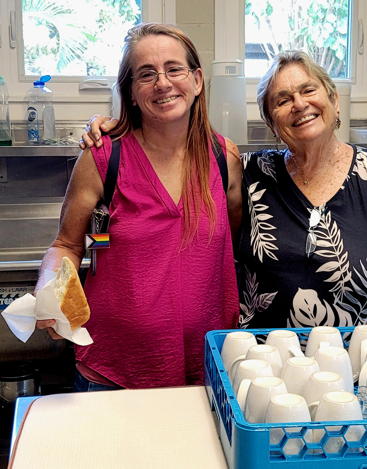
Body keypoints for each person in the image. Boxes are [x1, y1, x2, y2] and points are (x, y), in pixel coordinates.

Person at [83, 51, 367, 374]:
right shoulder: (250, 174)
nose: (299, 104)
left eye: (308, 91)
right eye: (282, 100)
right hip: (265, 376)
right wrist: (115, 126)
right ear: (271, 121)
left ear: (334, 101)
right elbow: (171, 174)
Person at [35, 22, 241, 391]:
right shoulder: (103, 156)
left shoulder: (225, 158)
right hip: (114, 371)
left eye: (174, 69)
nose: (163, 83)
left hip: (210, 368)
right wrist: (49, 288)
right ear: (130, 92)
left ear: (196, 80)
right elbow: (66, 244)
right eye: (146, 74)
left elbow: (234, 242)